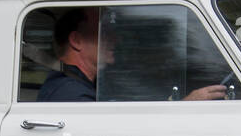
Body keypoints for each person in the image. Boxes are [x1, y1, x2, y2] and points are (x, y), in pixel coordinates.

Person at [38, 7, 227, 102]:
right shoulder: (70, 95)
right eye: (103, 32)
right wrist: (185, 106)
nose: (114, 39)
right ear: (76, 41)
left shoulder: (84, 87)